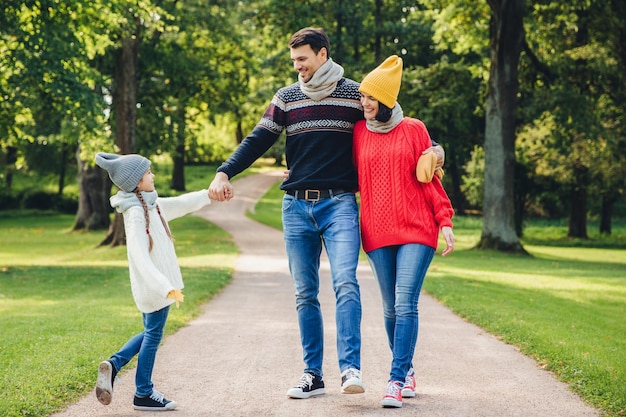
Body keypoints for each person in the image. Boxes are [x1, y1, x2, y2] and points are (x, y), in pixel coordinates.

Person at [208, 27, 443, 399]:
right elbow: (258, 138)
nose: (297, 67)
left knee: (346, 283)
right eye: (294, 61)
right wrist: (224, 170)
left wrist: (436, 152)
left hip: (339, 205)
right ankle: (313, 375)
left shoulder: (354, 94)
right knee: (304, 292)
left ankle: (350, 369)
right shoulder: (287, 98)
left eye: (302, 59)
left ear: (322, 54)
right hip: (296, 207)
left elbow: (395, 123)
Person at [352, 55, 455, 408]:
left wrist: (445, 221)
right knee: (390, 308)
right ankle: (407, 368)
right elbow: (344, 174)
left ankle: (395, 381)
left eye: (371, 97)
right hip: (377, 231)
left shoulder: (414, 129)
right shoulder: (358, 132)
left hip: (416, 228)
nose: (364, 103)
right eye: (362, 96)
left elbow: (429, 179)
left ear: (387, 100)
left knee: (404, 301)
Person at [94, 152, 211, 411]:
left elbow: (180, 204)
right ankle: (143, 393)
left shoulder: (150, 204)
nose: (153, 175)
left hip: (155, 287)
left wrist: (208, 195)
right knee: (154, 335)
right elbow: (139, 256)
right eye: (148, 173)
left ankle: (114, 365)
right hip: (154, 287)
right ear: (137, 182)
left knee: (150, 332)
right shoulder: (136, 213)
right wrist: (165, 287)